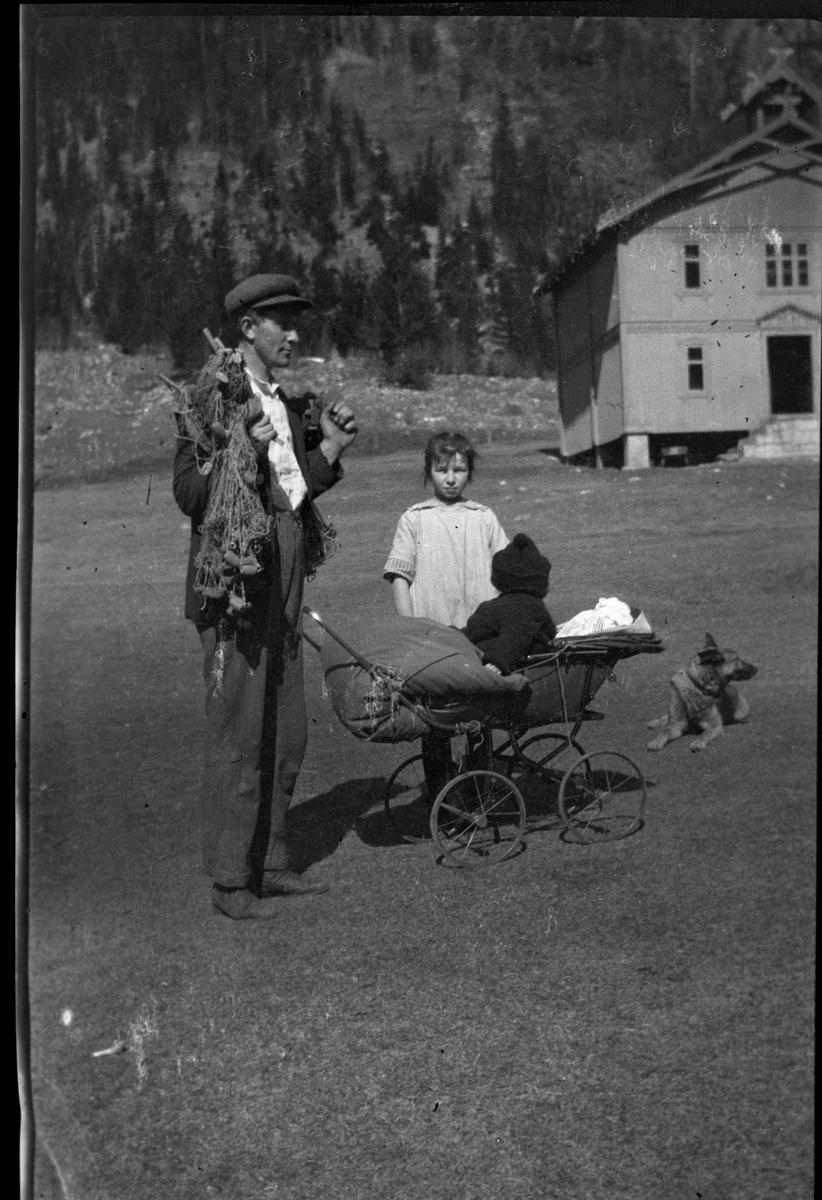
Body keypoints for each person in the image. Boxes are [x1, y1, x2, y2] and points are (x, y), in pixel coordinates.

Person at [173, 273, 357, 919]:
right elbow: (191, 497)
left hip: (284, 575)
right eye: (283, 320)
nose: (295, 333)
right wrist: (235, 457)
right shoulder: (213, 398)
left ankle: (271, 863)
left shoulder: (286, 403)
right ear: (249, 327)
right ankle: (230, 882)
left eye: (296, 320)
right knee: (240, 736)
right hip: (236, 589)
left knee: (288, 732)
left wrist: (329, 447)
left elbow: (292, 493)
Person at [382, 431, 507, 795]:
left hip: (477, 634)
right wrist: (410, 629)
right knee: (435, 716)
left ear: (470, 472)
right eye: (441, 470)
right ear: (429, 472)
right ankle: (438, 793)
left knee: (477, 713)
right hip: (431, 635)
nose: (451, 479)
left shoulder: (483, 517)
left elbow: (505, 572)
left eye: (459, 470)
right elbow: (399, 577)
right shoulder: (414, 519)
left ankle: (480, 789)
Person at [463, 532, 557, 674]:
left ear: (499, 580)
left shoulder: (514, 608)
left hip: (485, 665)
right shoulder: (532, 606)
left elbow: (518, 632)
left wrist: (498, 662)